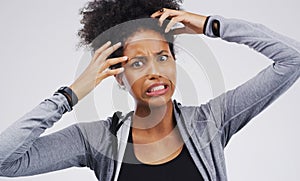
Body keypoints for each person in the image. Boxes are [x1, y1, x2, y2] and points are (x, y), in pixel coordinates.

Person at [0, 0, 299, 181]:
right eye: (138, 62)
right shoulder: (98, 140)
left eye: (162, 57)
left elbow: (293, 58)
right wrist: (70, 94)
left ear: (174, 62)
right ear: (118, 75)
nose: (155, 70)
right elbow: (5, 161)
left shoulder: (212, 121)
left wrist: (212, 25)